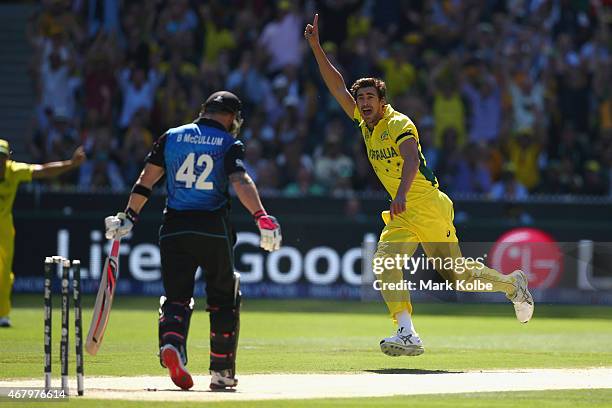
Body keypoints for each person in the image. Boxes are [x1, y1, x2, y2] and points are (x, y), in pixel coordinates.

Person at [305, 14, 534, 357]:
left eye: (370, 96)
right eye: (360, 97)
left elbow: (411, 160)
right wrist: (316, 48)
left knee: (457, 277)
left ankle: (512, 285)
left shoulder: (398, 122)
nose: (364, 102)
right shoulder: (364, 124)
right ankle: (406, 331)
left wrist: (399, 194)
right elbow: (336, 85)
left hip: (426, 204)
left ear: (381, 101)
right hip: (402, 213)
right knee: (384, 263)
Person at [103, 91, 281, 390]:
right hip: (212, 228)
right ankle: (221, 371)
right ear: (230, 116)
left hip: (174, 228)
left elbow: (146, 179)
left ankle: (172, 344)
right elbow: (240, 180)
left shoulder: (171, 136)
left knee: (176, 297)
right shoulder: (228, 142)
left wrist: (129, 216)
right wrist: (261, 216)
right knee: (225, 297)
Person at [0, 140, 86, 327]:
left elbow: (45, 170)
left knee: (4, 272)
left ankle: (3, 314)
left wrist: (71, 164)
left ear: (8, 158)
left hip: (4, 226)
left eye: (2, 158)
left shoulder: (14, 171)